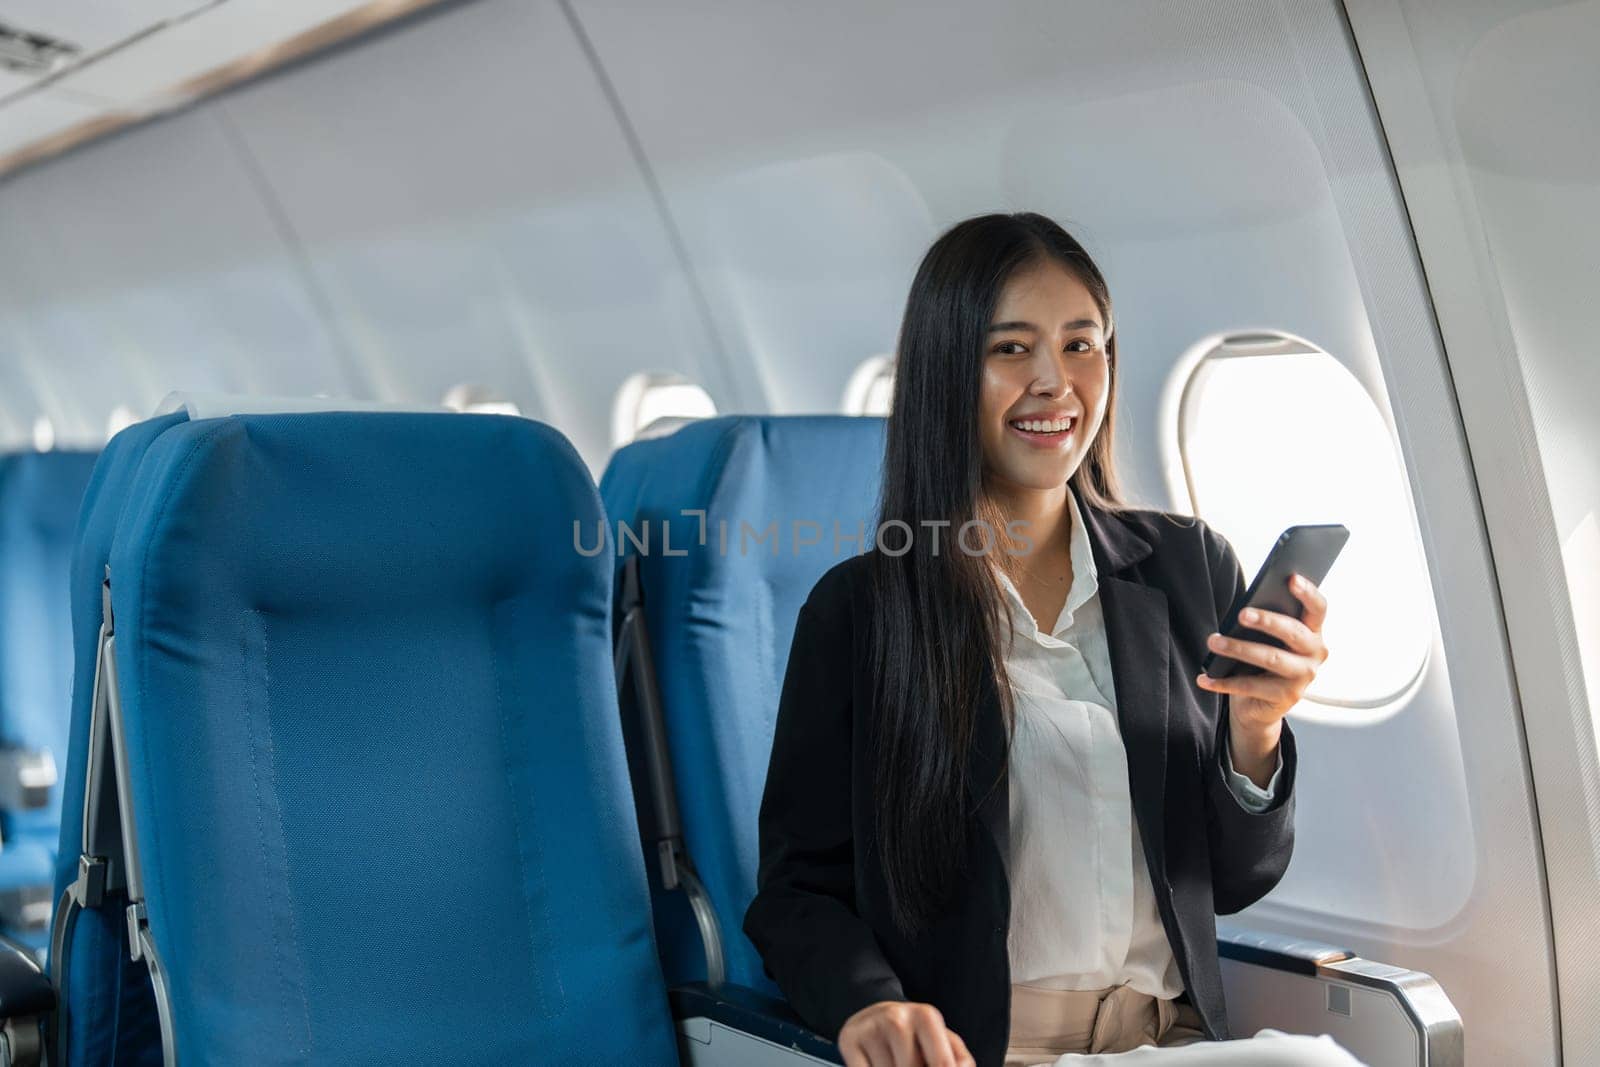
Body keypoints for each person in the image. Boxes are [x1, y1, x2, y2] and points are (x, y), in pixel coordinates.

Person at [742, 213, 1365, 1067]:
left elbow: (1232, 879)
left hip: (1168, 1042)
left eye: (1082, 344)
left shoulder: (1185, 566)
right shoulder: (861, 612)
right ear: (945, 372)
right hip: (985, 1053)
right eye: (1010, 349)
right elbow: (794, 894)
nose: (1055, 382)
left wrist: (1256, 732)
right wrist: (867, 1008)